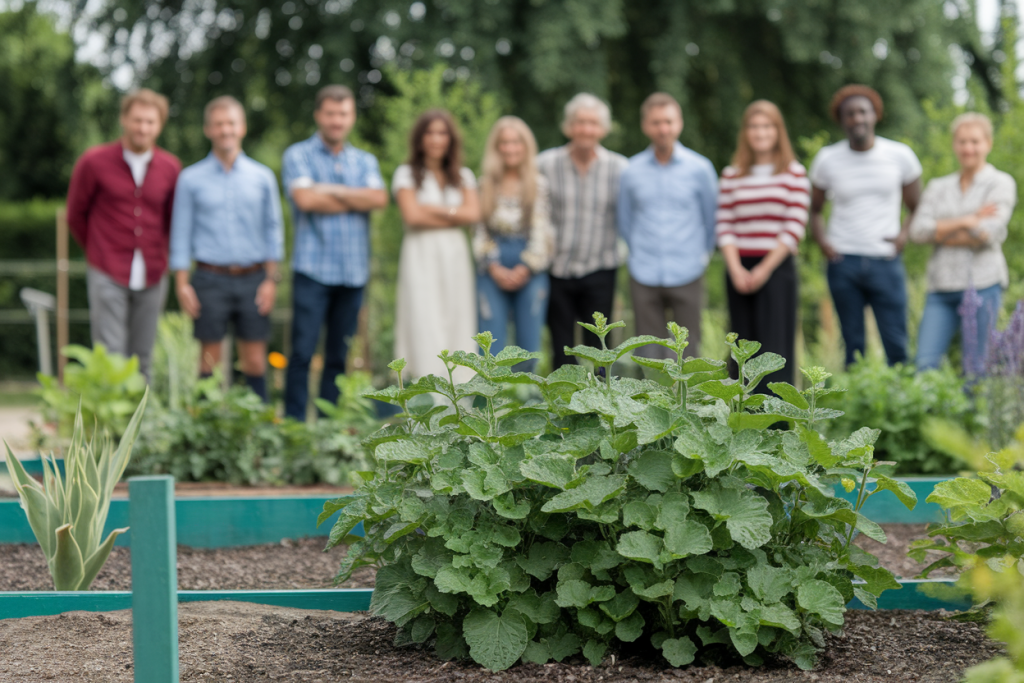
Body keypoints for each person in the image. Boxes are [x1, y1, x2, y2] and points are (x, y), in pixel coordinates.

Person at [281, 85, 388, 420]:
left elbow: (379, 199)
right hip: (312, 270)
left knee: (338, 358)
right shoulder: (298, 155)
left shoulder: (365, 160)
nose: (337, 120)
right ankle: (295, 429)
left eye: (343, 114)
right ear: (318, 115)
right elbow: (306, 200)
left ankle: (327, 431)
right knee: (301, 353)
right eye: (330, 113)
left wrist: (330, 189)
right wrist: (354, 196)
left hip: (353, 273)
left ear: (352, 116)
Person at [169, 96, 285, 401]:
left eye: (231, 123)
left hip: (254, 279)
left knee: (256, 361)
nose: (225, 130)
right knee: (209, 362)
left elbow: (274, 230)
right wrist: (182, 284)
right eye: (219, 124)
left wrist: (272, 281)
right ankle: (207, 436)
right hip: (210, 279)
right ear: (208, 129)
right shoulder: (190, 179)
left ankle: (259, 430)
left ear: (242, 127)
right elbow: (180, 233)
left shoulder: (262, 178)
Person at [66, 89, 180, 380]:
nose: (143, 128)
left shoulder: (171, 168)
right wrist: (97, 250)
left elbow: (172, 220)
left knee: (144, 356)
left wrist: (163, 255)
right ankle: (109, 425)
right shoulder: (94, 162)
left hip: (153, 272)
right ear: (124, 120)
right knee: (110, 355)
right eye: (137, 120)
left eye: (150, 122)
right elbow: (76, 215)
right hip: (107, 269)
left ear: (160, 126)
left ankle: (141, 423)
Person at [809, 84, 923, 367]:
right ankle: (857, 408)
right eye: (850, 114)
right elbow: (814, 209)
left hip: (885, 260)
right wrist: (823, 242)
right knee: (853, 346)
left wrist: (903, 236)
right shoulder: (827, 159)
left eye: (863, 112)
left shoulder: (900, 156)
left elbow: (917, 206)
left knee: (896, 344)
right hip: (843, 261)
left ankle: (900, 406)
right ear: (841, 119)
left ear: (875, 115)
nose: (857, 118)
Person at [909, 112, 1016, 371]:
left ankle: (972, 412)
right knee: (925, 363)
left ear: (988, 143)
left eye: (975, 141)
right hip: (941, 287)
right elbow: (917, 232)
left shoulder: (1000, 183)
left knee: (977, 367)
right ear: (954, 144)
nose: (968, 148)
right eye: (962, 141)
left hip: (983, 284)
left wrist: (941, 231)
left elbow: (987, 234)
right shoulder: (938, 186)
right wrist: (968, 220)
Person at [716, 100, 810, 386]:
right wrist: (735, 270)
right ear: (745, 133)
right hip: (739, 268)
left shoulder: (794, 173)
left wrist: (764, 270)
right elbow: (725, 225)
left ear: (777, 131)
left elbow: (793, 227)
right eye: (754, 127)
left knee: (775, 348)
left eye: (767, 126)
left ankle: (776, 426)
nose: (760, 133)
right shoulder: (731, 175)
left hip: (777, 268)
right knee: (741, 348)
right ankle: (741, 421)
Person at [618, 92, 717, 358]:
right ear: (645, 126)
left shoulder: (700, 169)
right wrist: (637, 252)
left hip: (688, 270)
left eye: (669, 122)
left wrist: (701, 256)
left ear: (680, 123)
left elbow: (711, 220)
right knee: (648, 352)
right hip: (644, 271)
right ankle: (653, 399)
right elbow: (625, 221)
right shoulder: (631, 171)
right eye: (656, 122)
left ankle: (685, 401)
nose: (663, 129)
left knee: (688, 349)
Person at [536, 94, 629, 369]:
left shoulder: (620, 168)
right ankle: (563, 408)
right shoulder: (545, 164)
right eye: (580, 122)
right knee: (561, 348)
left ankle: (600, 408)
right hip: (557, 270)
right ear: (568, 127)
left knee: (600, 350)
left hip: (601, 267)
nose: (586, 129)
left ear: (603, 128)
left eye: (592, 123)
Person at [392, 110, 481, 381]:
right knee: (423, 315)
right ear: (419, 139)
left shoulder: (463, 176)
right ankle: (426, 388)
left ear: (450, 139)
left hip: (454, 257)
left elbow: (473, 215)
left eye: (442, 133)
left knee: (458, 315)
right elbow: (412, 216)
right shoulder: (406, 174)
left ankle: (461, 394)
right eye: (429, 133)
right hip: (420, 256)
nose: (436, 139)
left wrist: (432, 209)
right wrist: (454, 213)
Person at [473, 116, 554, 371]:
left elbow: (542, 230)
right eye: (504, 142)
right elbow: (479, 231)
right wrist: (494, 266)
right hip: (492, 265)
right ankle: (490, 407)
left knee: (529, 349)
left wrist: (526, 267)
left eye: (516, 142)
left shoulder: (538, 184)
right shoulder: (484, 185)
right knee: (490, 345)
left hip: (529, 264)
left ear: (526, 146)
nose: (510, 148)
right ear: (496, 148)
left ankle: (527, 406)